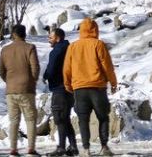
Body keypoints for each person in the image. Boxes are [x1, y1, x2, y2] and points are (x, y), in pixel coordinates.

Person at [63, 18, 118, 157]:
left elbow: (67, 68)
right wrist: (113, 82)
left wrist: (67, 84)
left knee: (83, 119)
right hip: (97, 87)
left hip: (79, 89)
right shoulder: (98, 44)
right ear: (95, 29)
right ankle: (104, 146)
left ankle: (86, 149)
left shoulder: (73, 46)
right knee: (103, 117)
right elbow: (107, 66)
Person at [0, 24, 41, 157]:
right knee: (30, 119)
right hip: (27, 89)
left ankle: (13, 150)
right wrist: (32, 80)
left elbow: (1, 71)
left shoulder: (5, 50)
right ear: (24, 34)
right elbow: (35, 67)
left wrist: (9, 81)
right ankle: (31, 149)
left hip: (11, 90)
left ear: (13, 34)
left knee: (14, 120)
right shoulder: (30, 48)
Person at [43, 28, 79, 157]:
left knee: (59, 118)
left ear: (57, 38)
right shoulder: (70, 49)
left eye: (50, 37)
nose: (49, 40)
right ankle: (73, 146)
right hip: (70, 89)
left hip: (59, 88)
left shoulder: (57, 50)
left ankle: (61, 148)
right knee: (65, 118)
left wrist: (46, 76)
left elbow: (51, 69)